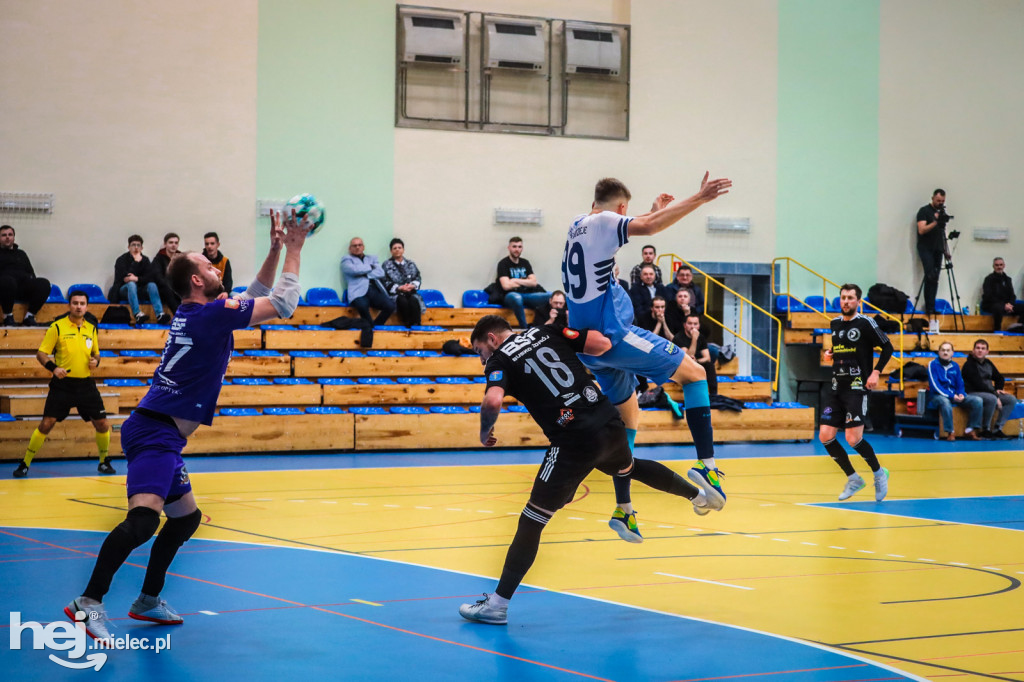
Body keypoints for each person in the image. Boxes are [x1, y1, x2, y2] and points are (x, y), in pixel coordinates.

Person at [65, 211, 309, 640]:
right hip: (154, 431)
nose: (218, 269)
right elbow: (284, 303)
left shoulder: (201, 313)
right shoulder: (211, 316)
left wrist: (272, 250)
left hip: (161, 431)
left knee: (184, 519)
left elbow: (254, 292)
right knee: (143, 523)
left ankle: (147, 600)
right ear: (197, 280)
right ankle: (89, 602)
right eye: (210, 266)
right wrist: (295, 247)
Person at [458, 315, 712, 625]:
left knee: (531, 520)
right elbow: (601, 344)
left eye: (478, 351)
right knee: (628, 467)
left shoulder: (499, 359)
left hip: (571, 441)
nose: (481, 358)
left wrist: (485, 432)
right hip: (608, 422)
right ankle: (699, 495)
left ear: (492, 340)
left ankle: (497, 605)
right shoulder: (547, 329)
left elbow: (493, 399)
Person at [562, 172, 732, 518]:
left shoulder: (577, 225)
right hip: (613, 335)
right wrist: (699, 198)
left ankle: (623, 508)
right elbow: (650, 227)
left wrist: (651, 211)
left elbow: (615, 244)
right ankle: (707, 465)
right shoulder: (607, 221)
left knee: (630, 416)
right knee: (696, 374)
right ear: (621, 207)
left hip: (589, 349)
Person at [12, 290, 114, 478]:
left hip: (86, 385)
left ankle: (103, 461)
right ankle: (25, 463)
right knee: (46, 424)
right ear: (69, 305)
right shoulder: (57, 327)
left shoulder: (91, 328)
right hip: (63, 385)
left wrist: (96, 361)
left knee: (102, 424)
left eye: (82, 303)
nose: (78, 306)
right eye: (75, 303)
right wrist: (53, 368)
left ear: (87, 306)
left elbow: (96, 353)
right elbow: (41, 354)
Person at [819, 284, 893, 501]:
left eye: (850, 298)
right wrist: (830, 353)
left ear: (858, 301)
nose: (846, 301)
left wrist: (876, 372)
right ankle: (853, 478)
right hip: (836, 387)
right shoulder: (834, 324)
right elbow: (843, 348)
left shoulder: (866, 323)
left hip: (857, 387)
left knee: (853, 438)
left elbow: (887, 348)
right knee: (825, 435)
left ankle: (879, 473)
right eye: (843, 297)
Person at [927, 341, 983, 441]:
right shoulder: (932, 364)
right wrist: (952, 396)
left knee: (977, 400)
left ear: (952, 353)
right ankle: (950, 432)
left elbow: (960, 383)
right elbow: (935, 385)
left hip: (955, 395)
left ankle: (970, 429)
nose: (945, 352)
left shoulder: (955, 366)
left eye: (948, 350)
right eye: (943, 350)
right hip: (937, 396)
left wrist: (961, 393)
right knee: (945, 402)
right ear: (939, 352)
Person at [962, 339, 1016, 439]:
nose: (980, 351)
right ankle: (985, 429)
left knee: (1011, 399)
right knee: (991, 398)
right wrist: (996, 396)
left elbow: (999, 377)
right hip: (972, 393)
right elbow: (979, 385)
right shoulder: (968, 365)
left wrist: (999, 389)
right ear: (973, 350)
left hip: (990, 392)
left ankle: (998, 428)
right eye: (977, 348)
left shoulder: (988, 363)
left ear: (987, 352)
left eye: (983, 349)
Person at [109, 235, 169, 325]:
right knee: (131, 284)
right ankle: (137, 314)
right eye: (133, 245)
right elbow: (125, 278)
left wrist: (136, 278)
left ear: (142, 248)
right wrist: (136, 262)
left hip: (140, 289)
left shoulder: (145, 260)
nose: (136, 248)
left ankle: (159, 314)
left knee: (152, 285)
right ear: (129, 247)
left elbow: (150, 278)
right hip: (124, 290)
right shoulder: (121, 260)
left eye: (138, 245)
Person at [0, 224, 51, 326]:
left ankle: (29, 316)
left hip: (22, 288)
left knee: (44, 283)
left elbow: (31, 273)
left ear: (14, 237)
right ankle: (7, 316)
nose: (7, 237)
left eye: (10, 234)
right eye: (4, 235)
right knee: (8, 281)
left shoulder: (21, 254)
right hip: (5, 289)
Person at [496, 237, 549, 328]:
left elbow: (534, 282)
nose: (517, 249)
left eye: (519, 247)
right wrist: (525, 281)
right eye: (514, 246)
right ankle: (524, 328)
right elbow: (506, 286)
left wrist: (515, 280)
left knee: (552, 296)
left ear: (522, 248)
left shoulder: (525, 263)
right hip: (510, 296)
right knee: (517, 298)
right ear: (509, 248)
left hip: (528, 295)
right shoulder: (503, 263)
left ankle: (543, 327)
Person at [342, 237, 395, 326]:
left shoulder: (372, 258)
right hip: (357, 292)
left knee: (391, 306)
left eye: (360, 245)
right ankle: (369, 327)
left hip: (373, 290)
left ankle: (376, 325)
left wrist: (363, 273)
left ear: (363, 247)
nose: (357, 247)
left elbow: (381, 272)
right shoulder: (346, 259)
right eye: (354, 245)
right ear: (350, 248)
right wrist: (370, 268)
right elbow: (354, 270)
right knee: (362, 306)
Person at [915, 189, 949, 316]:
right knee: (929, 275)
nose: (940, 203)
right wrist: (935, 222)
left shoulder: (941, 213)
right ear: (933, 198)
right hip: (926, 248)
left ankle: (931, 306)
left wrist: (945, 249)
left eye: (942, 201)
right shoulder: (924, 211)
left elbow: (942, 233)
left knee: (935, 278)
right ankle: (928, 308)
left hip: (938, 248)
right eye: (938, 200)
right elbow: (922, 230)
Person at [381, 238, 423, 327]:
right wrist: (399, 288)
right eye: (394, 248)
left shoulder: (410, 263)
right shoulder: (386, 265)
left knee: (414, 300)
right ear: (391, 251)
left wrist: (412, 285)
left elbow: (418, 277)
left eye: (399, 247)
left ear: (403, 250)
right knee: (402, 301)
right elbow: (384, 282)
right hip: (395, 294)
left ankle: (416, 325)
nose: (397, 250)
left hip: (411, 292)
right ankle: (406, 324)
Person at [673, 313, 717, 396]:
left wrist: (697, 361)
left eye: (695, 324)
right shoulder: (679, 338)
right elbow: (687, 359)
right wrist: (694, 339)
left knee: (709, 365)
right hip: (681, 366)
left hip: (694, 363)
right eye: (690, 323)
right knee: (692, 367)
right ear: (684, 325)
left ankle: (714, 395)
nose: (692, 326)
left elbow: (707, 358)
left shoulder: (701, 337)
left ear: (699, 326)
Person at [980, 257, 1023, 332]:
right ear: (993, 266)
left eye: (1001, 265)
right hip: (992, 304)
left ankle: (1020, 327)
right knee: (998, 308)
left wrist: (1010, 304)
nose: (999, 267)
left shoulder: (1008, 279)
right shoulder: (988, 279)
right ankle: (997, 330)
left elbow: (1012, 295)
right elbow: (988, 296)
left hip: (1007, 305)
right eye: (997, 265)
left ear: (1004, 266)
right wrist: (1004, 306)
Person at [149, 232, 181, 317]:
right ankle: (178, 315)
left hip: (177, 289)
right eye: (171, 242)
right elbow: (158, 277)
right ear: (165, 244)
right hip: (163, 289)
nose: (173, 245)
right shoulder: (158, 259)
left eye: (176, 243)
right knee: (167, 288)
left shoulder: (181, 258)